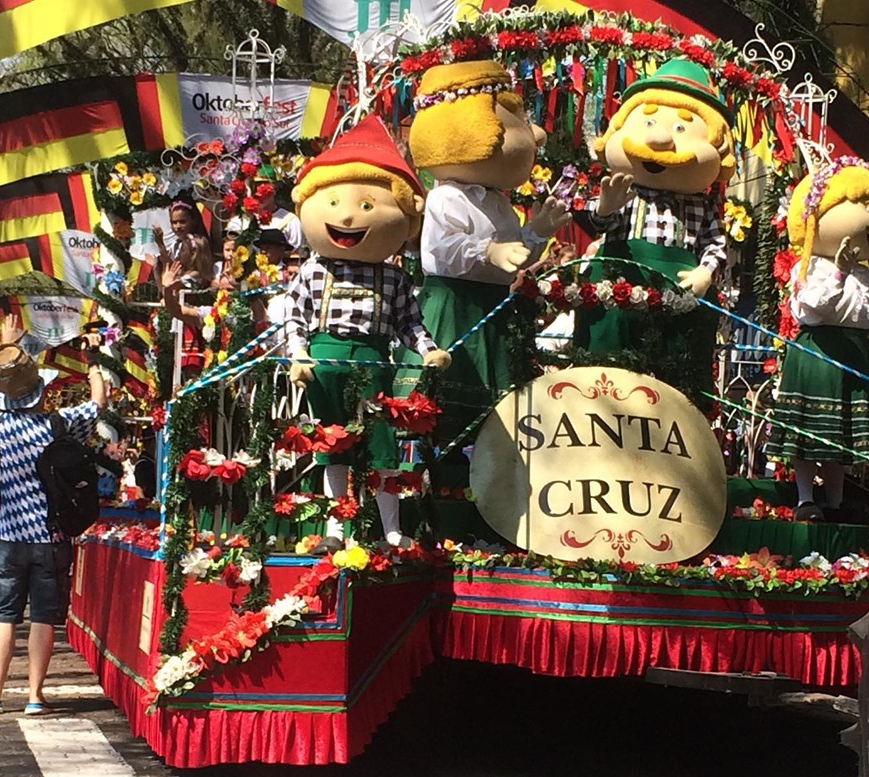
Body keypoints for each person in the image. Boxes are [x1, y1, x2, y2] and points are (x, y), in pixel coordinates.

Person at [273, 115, 451, 549]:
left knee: (380, 445)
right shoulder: (314, 269)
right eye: (333, 203)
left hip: (373, 361)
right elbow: (295, 316)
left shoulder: (393, 277)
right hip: (324, 361)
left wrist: (428, 350)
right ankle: (336, 529)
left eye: (367, 206)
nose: (348, 215)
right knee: (332, 444)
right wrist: (299, 354)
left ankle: (391, 528)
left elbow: (409, 323)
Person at [405, 60, 569, 446]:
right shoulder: (446, 196)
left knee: (496, 397)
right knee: (449, 394)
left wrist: (536, 232)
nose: (536, 136)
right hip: (454, 305)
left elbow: (514, 256)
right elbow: (443, 247)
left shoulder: (499, 202)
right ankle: (439, 468)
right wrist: (488, 251)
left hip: (493, 305)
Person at [766, 158, 869, 523]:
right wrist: (838, 273)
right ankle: (806, 499)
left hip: (854, 361)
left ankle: (835, 503)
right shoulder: (808, 267)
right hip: (817, 358)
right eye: (868, 207)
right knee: (810, 435)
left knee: (838, 439)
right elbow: (810, 309)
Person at [575, 57, 734, 407]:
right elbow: (595, 225)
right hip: (618, 290)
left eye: (681, 129)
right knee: (606, 368)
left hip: (678, 296)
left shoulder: (702, 205)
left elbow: (716, 243)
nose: (660, 138)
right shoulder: (624, 189)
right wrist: (605, 208)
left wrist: (706, 272)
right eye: (648, 122)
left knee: (674, 379)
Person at [0, 317, 107, 716]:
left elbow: (3, 389)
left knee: (3, 615)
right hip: (49, 536)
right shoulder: (58, 425)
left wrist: (9, 345)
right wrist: (93, 360)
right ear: (41, 392)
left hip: (10, 536)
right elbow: (99, 401)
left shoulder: (1, 422)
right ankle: (35, 695)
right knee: (43, 618)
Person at [153, 199, 214, 290]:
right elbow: (170, 267)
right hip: (174, 284)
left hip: (196, 285)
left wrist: (176, 281)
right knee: (156, 265)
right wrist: (160, 244)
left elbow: (202, 272)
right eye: (174, 222)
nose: (178, 226)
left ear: (193, 221)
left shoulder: (199, 242)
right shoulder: (176, 244)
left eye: (182, 222)